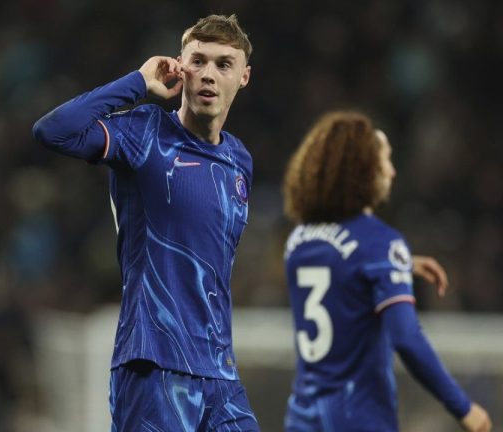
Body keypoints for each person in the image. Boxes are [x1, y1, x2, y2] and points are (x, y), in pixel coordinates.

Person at [34, 13, 259, 432]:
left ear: (243, 77)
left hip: (220, 372)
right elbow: (53, 132)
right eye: (199, 61)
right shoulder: (145, 133)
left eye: (223, 64)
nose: (209, 74)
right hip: (154, 361)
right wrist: (137, 84)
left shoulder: (239, 160)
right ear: (180, 67)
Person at [281, 111, 493, 432]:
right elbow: (407, 339)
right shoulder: (381, 242)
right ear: (363, 170)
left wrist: (402, 264)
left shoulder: (299, 240)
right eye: (385, 160)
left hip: (303, 419)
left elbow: (341, 271)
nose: (392, 172)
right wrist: (463, 407)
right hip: (359, 419)